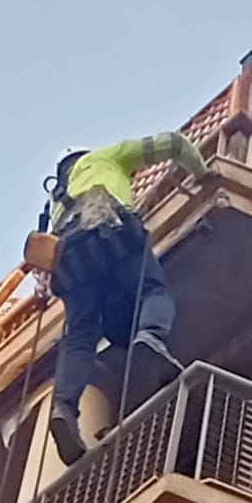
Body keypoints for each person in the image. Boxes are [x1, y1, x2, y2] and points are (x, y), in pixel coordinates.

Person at [42, 131, 209, 465]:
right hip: (110, 230)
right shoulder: (107, 157)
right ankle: (150, 338)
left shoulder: (54, 204)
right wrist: (203, 174)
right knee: (153, 290)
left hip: (71, 260)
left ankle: (64, 406)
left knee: (79, 337)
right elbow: (174, 144)